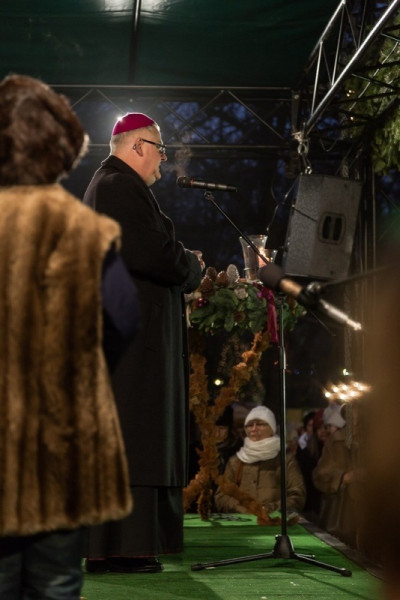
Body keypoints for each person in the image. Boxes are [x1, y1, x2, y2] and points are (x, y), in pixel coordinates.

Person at [0, 74, 140, 600]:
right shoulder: (84, 229)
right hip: (65, 445)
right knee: (56, 583)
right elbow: (123, 319)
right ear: (59, 149)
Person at [83, 112, 203, 573]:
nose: (163, 160)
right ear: (137, 146)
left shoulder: (115, 186)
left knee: (138, 440)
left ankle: (122, 548)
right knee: (136, 441)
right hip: (132, 348)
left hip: (131, 341)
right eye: (159, 149)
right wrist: (191, 267)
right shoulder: (116, 186)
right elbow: (151, 252)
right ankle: (123, 550)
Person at [214, 406, 306, 516]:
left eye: (260, 424)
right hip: (242, 522)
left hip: (274, 522)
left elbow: (297, 495)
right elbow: (222, 496)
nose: (254, 429)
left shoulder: (285, 459)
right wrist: (242, 508)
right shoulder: (236, 461)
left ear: (271, 428)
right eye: (249, 425)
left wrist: (269, 510)